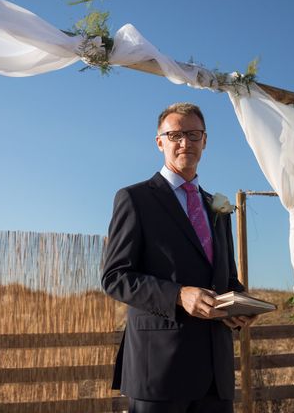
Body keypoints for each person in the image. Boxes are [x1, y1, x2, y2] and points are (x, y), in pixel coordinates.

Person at [101, 102, 256, 413]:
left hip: (215, 371)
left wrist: (239, 305)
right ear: (160, 142)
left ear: (205, 141)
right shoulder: (135, 199)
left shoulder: (218, 208)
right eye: (175, 135)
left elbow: (224, 279)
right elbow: (115, 277)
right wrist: (178, 295)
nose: (185, 142)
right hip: (160, 369)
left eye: (194, 134)